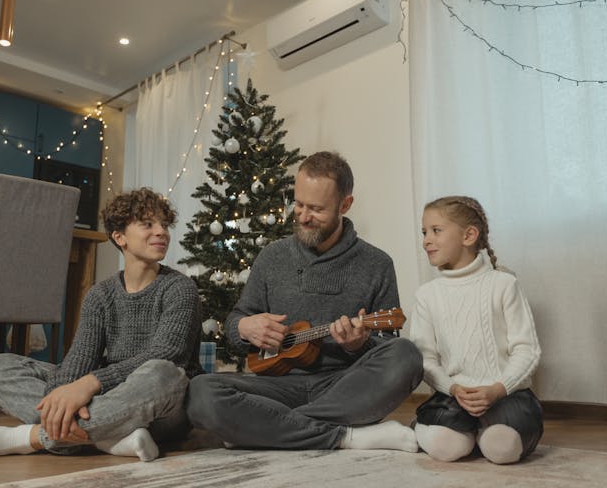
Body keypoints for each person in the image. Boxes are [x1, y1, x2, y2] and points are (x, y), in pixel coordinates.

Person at [187, 151, 423, 451]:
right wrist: (245, 327)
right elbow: (236, 322)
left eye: (316, 208)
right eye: (298, 204)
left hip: (343, 387)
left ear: (345, 205)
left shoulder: (376, 264)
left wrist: (358, 345)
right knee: (200, 392)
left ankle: (262, 427)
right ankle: (345, 436)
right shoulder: (272, 257)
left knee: (407, 356)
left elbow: (388, 343)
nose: (303, 216)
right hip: (275, 386)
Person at [0, 187, 203, 462]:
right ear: (120, 237)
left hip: (162, 405)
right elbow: (80, 358)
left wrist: (90, 384)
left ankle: (25, 438)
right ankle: (112, 438)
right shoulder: (101, 294)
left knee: (162, 372)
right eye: (147, 224)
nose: (161, 231)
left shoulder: (180, 288)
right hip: (113, 398)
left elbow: (167, 354)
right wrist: (64, 392)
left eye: (164, 224)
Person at [410, 196, 542, 464]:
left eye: (436, 230)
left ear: (469, 235)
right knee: (446, 447)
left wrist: (498, 389)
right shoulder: (427, 295)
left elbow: (527, 350)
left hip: (506, 394)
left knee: (503, 449)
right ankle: (452, 430)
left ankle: (483, 433)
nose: (426, 240)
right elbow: (425, 358)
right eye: (424, 232)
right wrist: (453, 387)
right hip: (454, 395)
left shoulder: (504, 284)